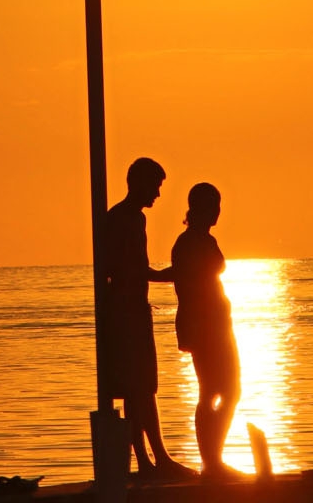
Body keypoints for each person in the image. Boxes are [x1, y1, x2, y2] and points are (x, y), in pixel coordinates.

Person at [100, 157, 192, 480]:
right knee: (138, 387)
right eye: (155, 186)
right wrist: (174, 275)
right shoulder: (126, 219)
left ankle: (151, 459)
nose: (157, 194)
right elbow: (131, 269)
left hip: (132, 310)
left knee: (140, 388)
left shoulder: (127, 218)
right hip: (128, 314)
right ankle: (151, 460)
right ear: (139, 183)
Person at [170, 183, 241, 480]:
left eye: (219, 205)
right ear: (199, 208)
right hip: (204, 328)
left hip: (219, 325)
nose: (218, 212)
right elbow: (183, 279)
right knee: (210, 391)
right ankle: (211, 462)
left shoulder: (206, 240)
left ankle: (215, 458)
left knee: (230, 390)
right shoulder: (187, 243)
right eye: (213, 205)